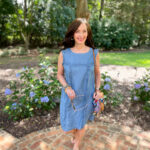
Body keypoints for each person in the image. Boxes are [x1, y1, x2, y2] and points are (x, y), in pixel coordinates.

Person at [57, 18, 103, 150]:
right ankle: (74, 135)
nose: (81, 35)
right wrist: (66, 87)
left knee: (81, 124)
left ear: (88, 34)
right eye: (78, 31)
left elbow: (97, 73)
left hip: (86, 96)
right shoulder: (64, 54)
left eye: (84, 31)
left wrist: (97, 90)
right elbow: (59, 74)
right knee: (66, 128)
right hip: (69, 96)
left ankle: (76, 144)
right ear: (72, 33)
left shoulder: (94, 53)